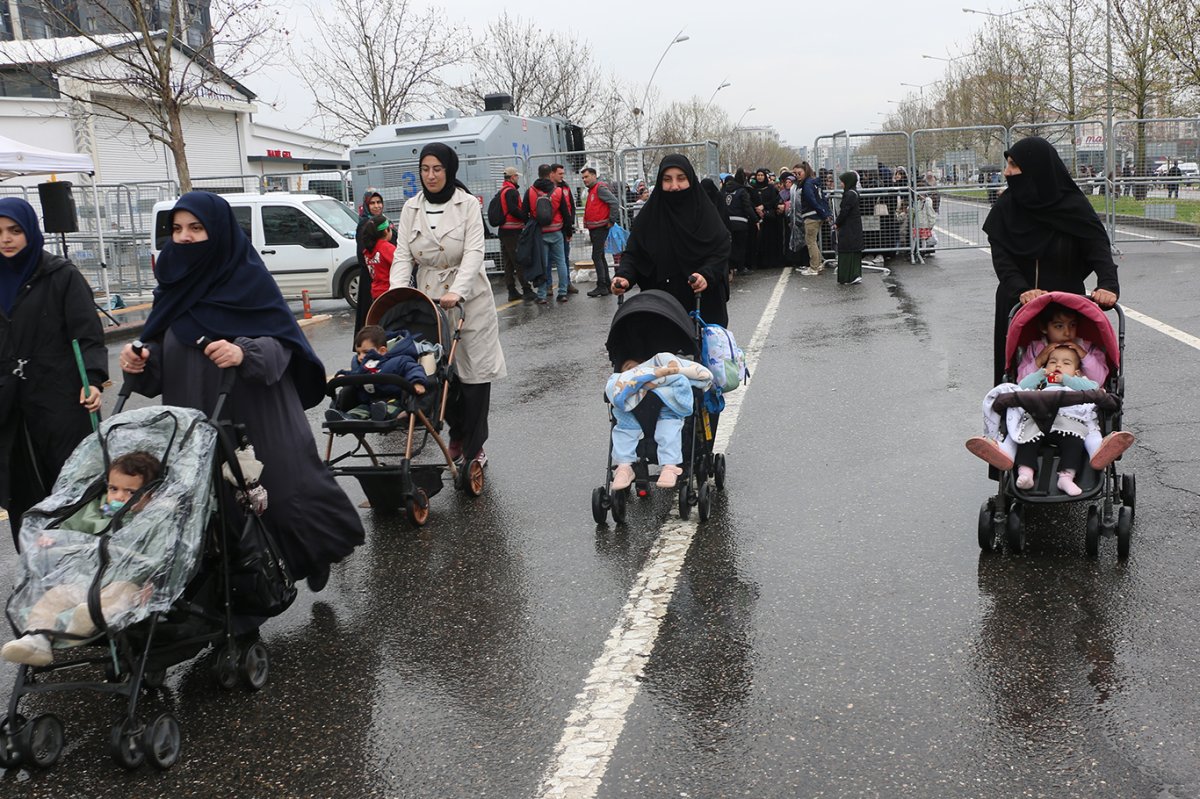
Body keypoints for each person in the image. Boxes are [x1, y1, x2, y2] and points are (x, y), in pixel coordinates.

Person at [119, 191, 364, 593]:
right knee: (213, 508)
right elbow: (162, 349)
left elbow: (283, 345)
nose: (184, 237)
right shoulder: (172, 285)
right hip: (196, 414)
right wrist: (141, 360)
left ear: (218, 231)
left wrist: (243, 351)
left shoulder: (247, 278)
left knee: (285, 496)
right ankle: (237, 606)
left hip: (258, 411)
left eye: (196, 228)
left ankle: (315, 552)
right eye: (177, 229)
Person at [390, 142, 506, 466]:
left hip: (469, 299)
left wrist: (458, 290)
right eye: (425, 169)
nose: (431, 175)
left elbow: (473, 253)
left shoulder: (467, 204)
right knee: (439, 372)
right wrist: (397, 292)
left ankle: (475, 444)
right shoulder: (410, 208)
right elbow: (402, 255)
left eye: (437, 169)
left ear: (449, 170)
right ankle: (455, 434)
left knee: (474, 374)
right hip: (429, 296)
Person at [0, 197, 106, 547]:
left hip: (59, 398)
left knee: (69, 484)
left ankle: (78, 567)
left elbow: (87, 334)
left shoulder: (60, 275)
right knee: (20, 489)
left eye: (14, 230)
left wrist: (91, 380)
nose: (6, 238)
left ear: (30, 230)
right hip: (9, 404)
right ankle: (35, 570)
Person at [2, 452, 163, 666]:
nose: (119, 497)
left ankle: (88, 617)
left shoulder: (154, 520)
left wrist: (155, 581)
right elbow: (70, 526)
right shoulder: (97, 510)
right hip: (86, 577)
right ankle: (35, 639)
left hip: (126, 581)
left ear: (150, 494)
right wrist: (52, 537)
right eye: (113, 489)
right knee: (54, 597)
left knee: (120, 596)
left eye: (130, 491)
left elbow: (162, 555)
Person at [982, 136, 1119, 385]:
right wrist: (1022, 290)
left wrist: (1108, 285)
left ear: (1036, 169)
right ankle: (1010, 421)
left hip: (1065, 305)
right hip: (1017, 304)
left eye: (1013, 165)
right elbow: (1002, 260)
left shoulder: (1073, 206)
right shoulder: (1006, 208)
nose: (1006, 171)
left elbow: (1097, 248)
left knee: (1070, 370)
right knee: (1015, 372)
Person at [966, 343, 1134, 495]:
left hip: (1068, 421)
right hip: (1037, 419)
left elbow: (1094, 388)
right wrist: (1040, 373)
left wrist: (1066, 379)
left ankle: (1067, 477)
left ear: (1076, 372)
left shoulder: (1077, 382)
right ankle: (1024, 472)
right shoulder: (1041, 383)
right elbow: (1022, 386)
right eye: (1052, 362)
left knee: (1074, 443)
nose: (1058, 365)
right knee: (1025, 439)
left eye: (1066, 363)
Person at [610, 154, 731, 327]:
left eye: (681, 179)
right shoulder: (649, 217)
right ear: (660, 183)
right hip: (661, 310)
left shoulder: (705, 214)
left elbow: (721, 249)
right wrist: (623, 277)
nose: (674, 186)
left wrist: (706, 274)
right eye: (667, 180)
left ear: (690, 180)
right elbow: (634, 255)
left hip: (703, 306)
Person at [606, 354, 713, 490]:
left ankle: (670, 466)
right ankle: (624, 467)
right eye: (627, 367)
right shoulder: (624, 377)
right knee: (624, 431)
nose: (632, 368)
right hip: (632, 408)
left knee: (669, 427)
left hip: (663, 403)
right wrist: (630, 377)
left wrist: (654, 372)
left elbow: (675, 371)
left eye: (635, 365)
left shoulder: (655, 364)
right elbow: (614, 385)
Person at [330, 324, 427, 421]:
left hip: (394, 400)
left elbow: (414, 369)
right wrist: (342, 376)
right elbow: (354, 374)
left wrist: (417, 382)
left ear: (382, 350)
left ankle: (383, 414)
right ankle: (347, 417)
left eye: (366, 352)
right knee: (360, 410)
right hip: (369, 402)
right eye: (358, 353)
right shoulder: (362, 367)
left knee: (390, 408)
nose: (360, 357)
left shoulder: (398, 361)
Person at [527, 164, 571, 305]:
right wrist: (568, 232)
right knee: (561, 262)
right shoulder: (558, 191)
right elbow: (566, 213)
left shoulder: (531, 191)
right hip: (556, 231)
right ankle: (563, 293)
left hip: (540, 233)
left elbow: (523, 213)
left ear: (538, 173)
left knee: (542, 263)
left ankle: (542, 295)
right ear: (550, 174)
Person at [496, 166, 534, 302]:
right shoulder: (511, 192)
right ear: (512, 177)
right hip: (512, 231)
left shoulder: (502, 190)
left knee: (508, 262)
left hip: (504, 231)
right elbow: (513, 209)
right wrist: (525, 216)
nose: (517, 178)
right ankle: (526, 289)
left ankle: (512, 290)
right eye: (516, 176)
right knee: (518, 260)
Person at [581, 166, 619, 297]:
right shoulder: (593, 190)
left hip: (600, 227)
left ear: (594, 176)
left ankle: (602, 285)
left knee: (596, 256)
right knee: (600, 256)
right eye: (583, 178)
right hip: (596, 227)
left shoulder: (599, 188)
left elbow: (614, 202)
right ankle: (606, 284)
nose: (584, 180)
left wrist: (611, 220)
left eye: (586, 177)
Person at [354, 188, 387, 332]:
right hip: (371, 277)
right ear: (366, 205)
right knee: (371, 315)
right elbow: (363, 253)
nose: (376, 206)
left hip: (383, 276)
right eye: (372, 203)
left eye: (379, 202)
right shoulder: (365, 224)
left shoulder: (383, 221)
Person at [796, 161, 833, 276]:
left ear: (805, 172)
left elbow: (813, 200)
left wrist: (823, 213)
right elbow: (822, 199)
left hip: (812, 216)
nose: (797, 175)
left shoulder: (807, 184)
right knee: (813, 241)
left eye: (799, 173)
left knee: (810, 241)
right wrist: (825, 213)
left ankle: (814, 267)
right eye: (795, 173)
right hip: (817, 215)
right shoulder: (814, 183)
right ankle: (818, 264)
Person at [721, 172, 755, 276]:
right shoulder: (742, 191)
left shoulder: (724, 191)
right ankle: (740, 267)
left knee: (730, 245)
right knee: (740, 246)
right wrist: (755, 219)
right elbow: (747, 207)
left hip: (726, 222)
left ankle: (730, 267)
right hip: (741, 222)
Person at [833, 171, 864, 285]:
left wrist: (837, 223)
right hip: (854, 226)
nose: (841, 184)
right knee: (854, 249)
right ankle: (855, 274)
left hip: (849, 226)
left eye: (842, 182)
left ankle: (847, 276)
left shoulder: (849, 195)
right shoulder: (854, 193)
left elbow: (844, 211)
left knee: (846, 249)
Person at [358, 214, 395, 303]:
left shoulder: (368, 250)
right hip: (390, 292)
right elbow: (401, 263)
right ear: (386, 230)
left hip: (376, 293)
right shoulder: (386, 248)